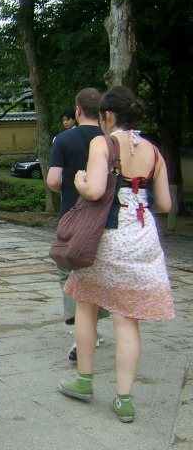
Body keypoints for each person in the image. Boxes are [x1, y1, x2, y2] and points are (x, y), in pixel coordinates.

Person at [57, 86, 175, 423]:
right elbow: (164, 204)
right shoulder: (153, 150)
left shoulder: (103, 143)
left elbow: (94, 190)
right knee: (127, 318)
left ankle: (84, 379)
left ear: (107, 116)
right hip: (142, 237)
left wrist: (79, 180)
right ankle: (124, 399)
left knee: (85, 303)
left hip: (107, 236)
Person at [48, 88, 110, 361]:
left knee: (70, 273)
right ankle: (94, 327)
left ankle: (82, 334)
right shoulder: (111, 141)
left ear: (77, 110)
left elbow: (52, 181)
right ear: (104, 113)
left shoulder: (63, 139)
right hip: (106, 217)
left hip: (73, 214)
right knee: (100, 273)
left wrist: (72, 187)